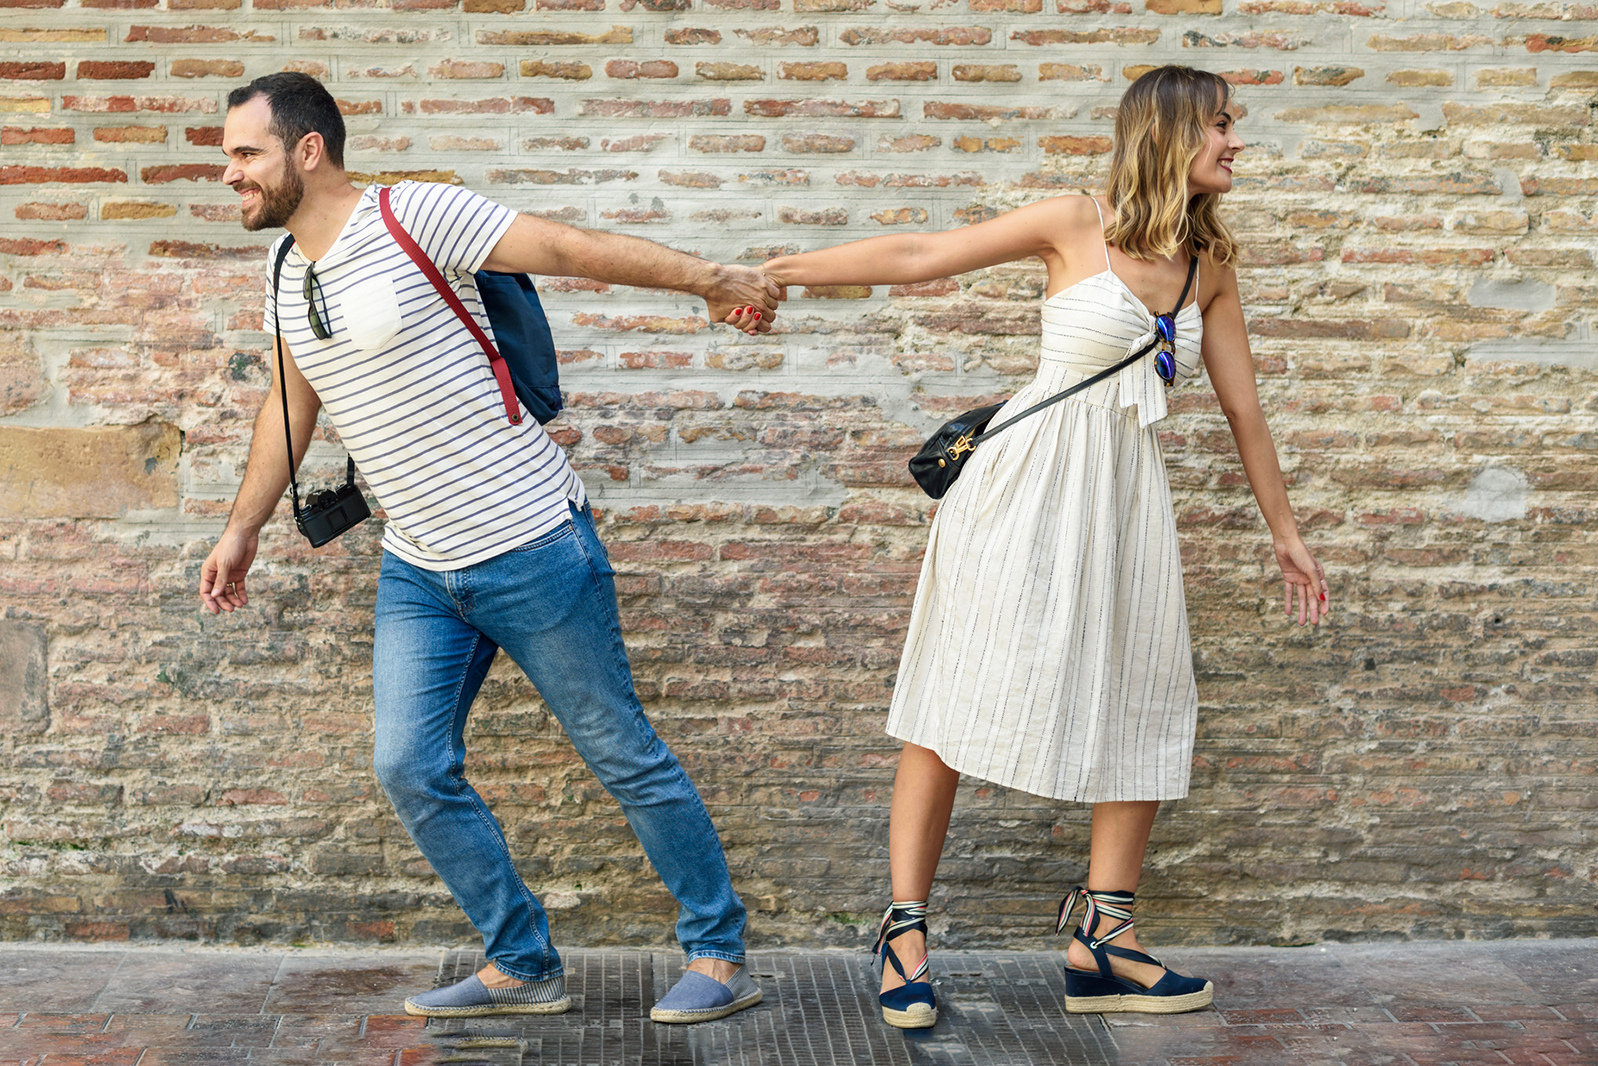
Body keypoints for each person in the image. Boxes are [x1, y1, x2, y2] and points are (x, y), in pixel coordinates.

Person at [197, 72, 776, 1024]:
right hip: (419, 566)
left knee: (620, 752)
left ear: (307, 150)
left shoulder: (418, 214)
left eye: (246, 154)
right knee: (410, 766)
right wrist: (242, 528)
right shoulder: (285, 271)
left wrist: (709, 279)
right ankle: (523, 962)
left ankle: (719, 954)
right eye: (229, 156)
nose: (231, 174)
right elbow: (291, 404)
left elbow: (568, 247)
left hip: (531, 543)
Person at [758, 65, 1331, 1028]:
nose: (1237, 142)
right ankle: (904, 934)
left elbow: (1246, 412)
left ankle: (1105, 941)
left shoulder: (1211, 267)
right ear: (1168, 133)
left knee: (1145, 690)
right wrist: (774, 273)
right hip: (1020, 489)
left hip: (1126, 502)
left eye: (1235, 126)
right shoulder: (1072, 221)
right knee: (956, 686)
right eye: (1221, 126)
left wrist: (1286, 533)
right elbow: (919, 253)